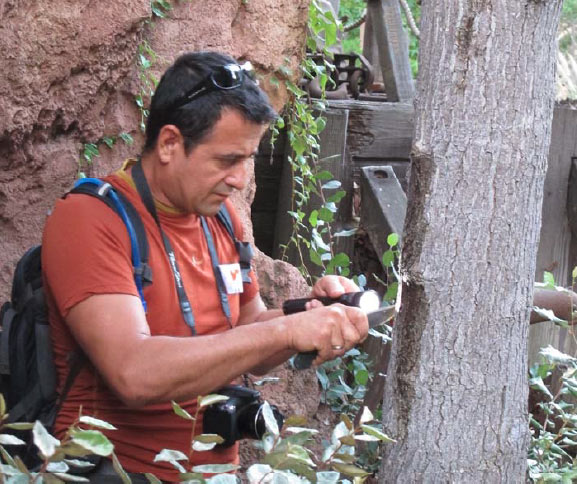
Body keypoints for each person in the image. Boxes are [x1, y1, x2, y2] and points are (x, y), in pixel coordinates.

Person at [41, 51, 369, 482]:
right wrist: (285, 331)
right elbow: (133, 373)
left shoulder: (222, 219)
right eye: (227, 160)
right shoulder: (90, 219)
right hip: (115, 472)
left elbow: (247, 329)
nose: (240, 179)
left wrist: (309, 314)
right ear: (170, 144)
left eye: (248, 159)